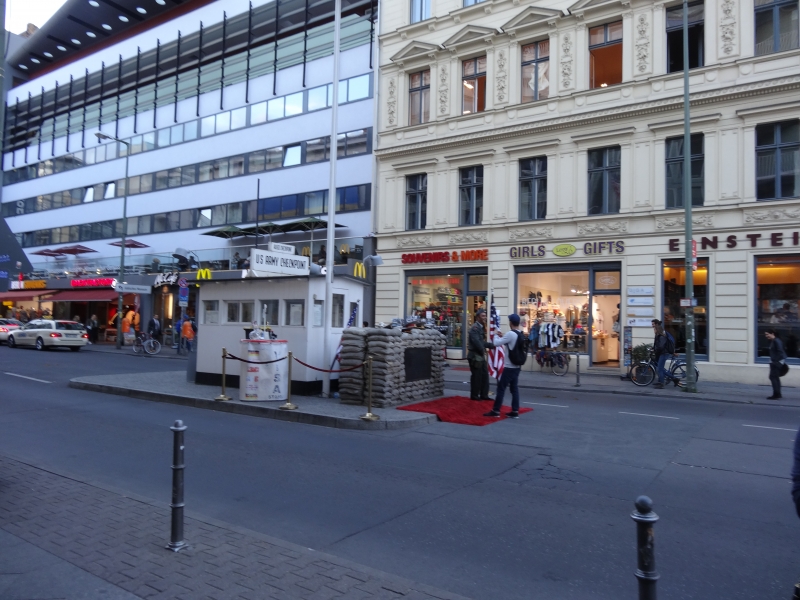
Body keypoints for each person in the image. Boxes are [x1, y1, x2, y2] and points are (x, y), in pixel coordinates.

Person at [484, 313, 523, 419]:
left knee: (501, 388)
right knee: (514, 389)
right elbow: (511, 343)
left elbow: (496, 343)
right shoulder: (520, 333)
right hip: (517, 366)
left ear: (511, 323)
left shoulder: (510, 334)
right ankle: (515, 410)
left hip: (509, 367)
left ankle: (496, 410)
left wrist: (496, 334)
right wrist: (503, 336)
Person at [467, 308, 495, 401]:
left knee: (484, 376)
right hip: (475, 356)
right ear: (477, 317)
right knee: (476, 377)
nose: (485, 317)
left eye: (485, 316)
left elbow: (482, 342)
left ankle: (484, 395)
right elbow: (477, 342)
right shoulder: (475, 328)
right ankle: (475, 396)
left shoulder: (481, 327)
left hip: (480, 356)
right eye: (483, 316)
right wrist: (483, 350)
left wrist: (492, 345)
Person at [653, 320, 678, 389]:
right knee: (660, 368)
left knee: (660, 369)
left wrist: (656, 350)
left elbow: (661, 346)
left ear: (657, 330)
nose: (654, 330)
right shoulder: (659, 336)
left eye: (655, 329)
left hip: (664, 353)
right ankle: (674, 379)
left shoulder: (662, 336)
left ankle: (662, 383)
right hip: (663, 353)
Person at [765, 328, 786, 399]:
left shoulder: (776, 341)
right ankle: (778, 393)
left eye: (767, 334)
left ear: (772, 334)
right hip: (776, 362)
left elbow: (780, 352)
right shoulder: (774, 341)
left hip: (776, 362)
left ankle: (776, 394)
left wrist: (775, 362)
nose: (766, 336)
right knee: (775, 377)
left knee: (773, 377)